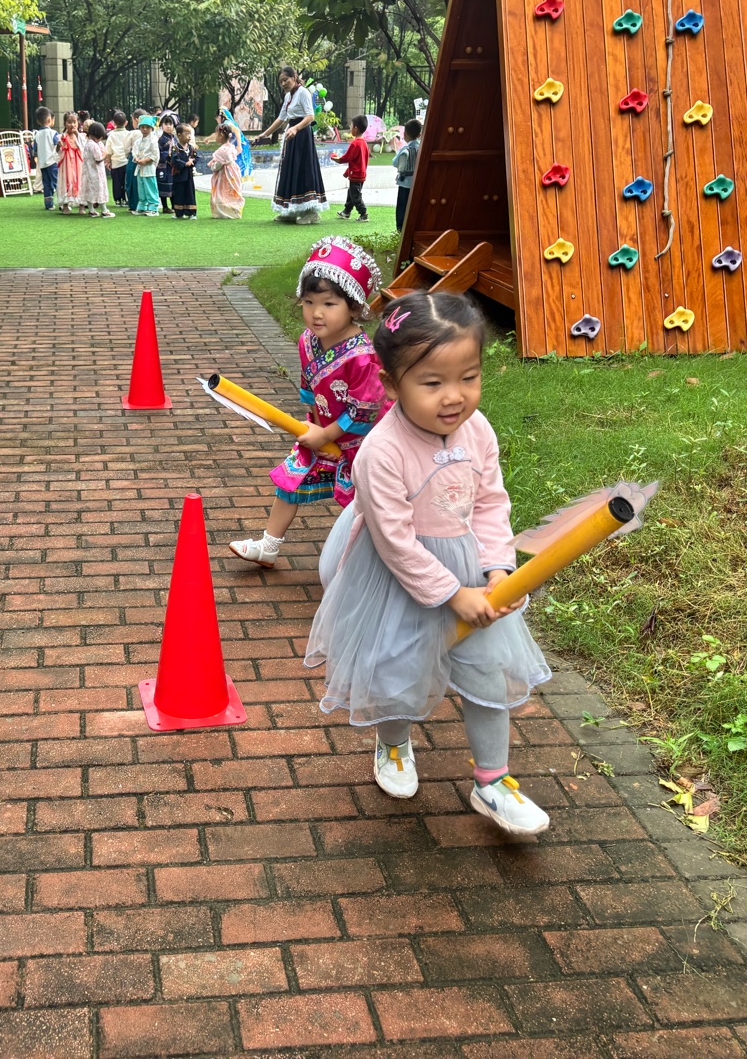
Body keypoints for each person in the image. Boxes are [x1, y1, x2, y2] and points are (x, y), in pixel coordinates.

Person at [304, 290, 552, 833]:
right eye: (433, 383)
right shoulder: (382, 451)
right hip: (397, 575)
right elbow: (394, 541)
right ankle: (393, 744)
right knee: (396, 669)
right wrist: (451, 594)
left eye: (469, 377)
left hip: (467, 567)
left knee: (487, 671)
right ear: (392, 385)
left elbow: (490, 504)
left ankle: (492, 781)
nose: (454, 397)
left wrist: (497, 570)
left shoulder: (478, 431)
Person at [230, 237, 387, 567]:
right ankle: (269, 545)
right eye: (309, 301)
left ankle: (374, 561)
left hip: (363, 442)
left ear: (354, 307)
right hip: (321, 430)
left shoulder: (363, 357)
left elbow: (365, 411)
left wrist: (326, 435)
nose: (316, 313)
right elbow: (309, 388)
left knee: (366, 503)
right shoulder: (307, 341)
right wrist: (312, 428)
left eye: (329, 304)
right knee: (291, 479)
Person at [255, 66, 328, 223]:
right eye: (281, 81)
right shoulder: (288, 96)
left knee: (304, 170)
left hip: (302, 136)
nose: (283, 83)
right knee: (290, 170)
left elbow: (310, 116)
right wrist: (265, 134)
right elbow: (281, 118)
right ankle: (290, 212)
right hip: (292, 136)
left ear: (294, 77)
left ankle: (312, 213)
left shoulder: (303, 93)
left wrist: (295, 128)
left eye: (285, 80)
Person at [332, 114, 371, 223]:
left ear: (356, 128)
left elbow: (346, 158)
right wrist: (347, 171)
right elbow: (357, 161)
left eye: (351, 126)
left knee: (355, 196)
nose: (350, 128)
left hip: (356, 175)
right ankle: (346, 211)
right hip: (360, 174)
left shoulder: (355, 143)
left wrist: (335, 158)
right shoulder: (364, 143)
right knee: (351, 193)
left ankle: (363, 214)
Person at [207, 124, 245, 220]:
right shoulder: (231, 147)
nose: (215, 136)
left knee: (221, 191)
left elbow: (218, 165)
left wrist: (213, 166)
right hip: (233, 171)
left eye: (216, 134)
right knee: (232, 189)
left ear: (221, 136)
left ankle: (222, 212)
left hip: (224, 174)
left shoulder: (222, 150)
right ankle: (234, 211)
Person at [393, 118, 422, 231]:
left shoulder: (404, 149)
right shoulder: (421, 149)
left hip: (404, 183)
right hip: (417, 183)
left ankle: (400, 227)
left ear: (404, 134)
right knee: (415, 206)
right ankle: (414, 226)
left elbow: (395, 163)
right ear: (419, 135)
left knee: (402, 206)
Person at [82, 121, 115, 218]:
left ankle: (91, 210)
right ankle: (104, 210)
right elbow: (98, 158)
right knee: (100, 190)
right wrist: (105, 154)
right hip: (96, 173)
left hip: (88, 172)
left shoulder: (88, 144)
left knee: (90, 191)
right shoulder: (93, 145)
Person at [131, 115, 161, 215]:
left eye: (147, 127)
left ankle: (153, 208)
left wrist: (145, 161)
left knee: (150, 188)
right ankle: (142, 206)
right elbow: (134, 151)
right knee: (141, 188)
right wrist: (136, 159)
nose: (144, 129)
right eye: (142, 127)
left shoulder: (153, 140)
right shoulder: (138, 141)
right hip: (140, 168)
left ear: (152, 128)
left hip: (149, 168)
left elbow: (155, 155)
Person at [57, 111, 86, 213]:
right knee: (66, 181)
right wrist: (59, 146)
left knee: (80, 181)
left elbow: (84, 147)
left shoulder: (82, 136)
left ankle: (82, 206)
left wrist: (77, 134)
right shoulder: (61, 137)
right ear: (65, 124)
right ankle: (65, 206)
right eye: (69, 122)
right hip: (66, 164)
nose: (72, 125)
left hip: (79, 164)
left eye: (74, 122)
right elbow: (57, 153)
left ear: (78, 123)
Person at [33, 107, 60, 210]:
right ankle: (63, 202)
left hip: (42, 163)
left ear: (38, 121)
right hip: (52, 162)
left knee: (46, 183)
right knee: (57, 182)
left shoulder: (37, 134)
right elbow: (58, 144)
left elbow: (35, 149)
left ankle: (49, 204)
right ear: (49, 119)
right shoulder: (53, 133)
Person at [170, 124, 199, 219]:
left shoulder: (191, 148)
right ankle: (179, 212)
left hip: (189, 176)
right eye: (187, 133)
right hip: (179, 175)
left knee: (189, 193)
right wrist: (185, 163)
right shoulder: (175, 148)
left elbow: (196, 157)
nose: (189, 136)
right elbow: (174, 159)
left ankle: (191, 213)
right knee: (179, 193)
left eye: (190, 134)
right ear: (179, 135)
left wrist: (192, 162)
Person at [106, 109, 132, 207]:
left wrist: (108, 162)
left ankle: (118, 199)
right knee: (126, 181)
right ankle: (125, 199)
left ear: (114, 123)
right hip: (126, 161)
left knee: (116, 182)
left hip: (116, 162)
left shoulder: (111, 135)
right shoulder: (129, 134)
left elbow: (108, 151)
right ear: (126, 122)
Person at [125, 108, 147, 213]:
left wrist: (127, 155)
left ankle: (134, 204)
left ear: (137, 120)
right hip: (147, 160)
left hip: (134, 159)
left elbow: (126, 147)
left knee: (132, 182)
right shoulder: (152, 133)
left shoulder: (133, 133)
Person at [156, 115, 179, 214]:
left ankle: (174, 206)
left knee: (173, 186)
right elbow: (158, 152)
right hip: (164, 166)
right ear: (162, 125)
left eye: (171, 124)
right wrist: (168, 154)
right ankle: (165, 207)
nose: (169, 126)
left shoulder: (175, 138)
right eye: (166, 124)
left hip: (173, 166)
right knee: (163, 186)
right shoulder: (161, 139)